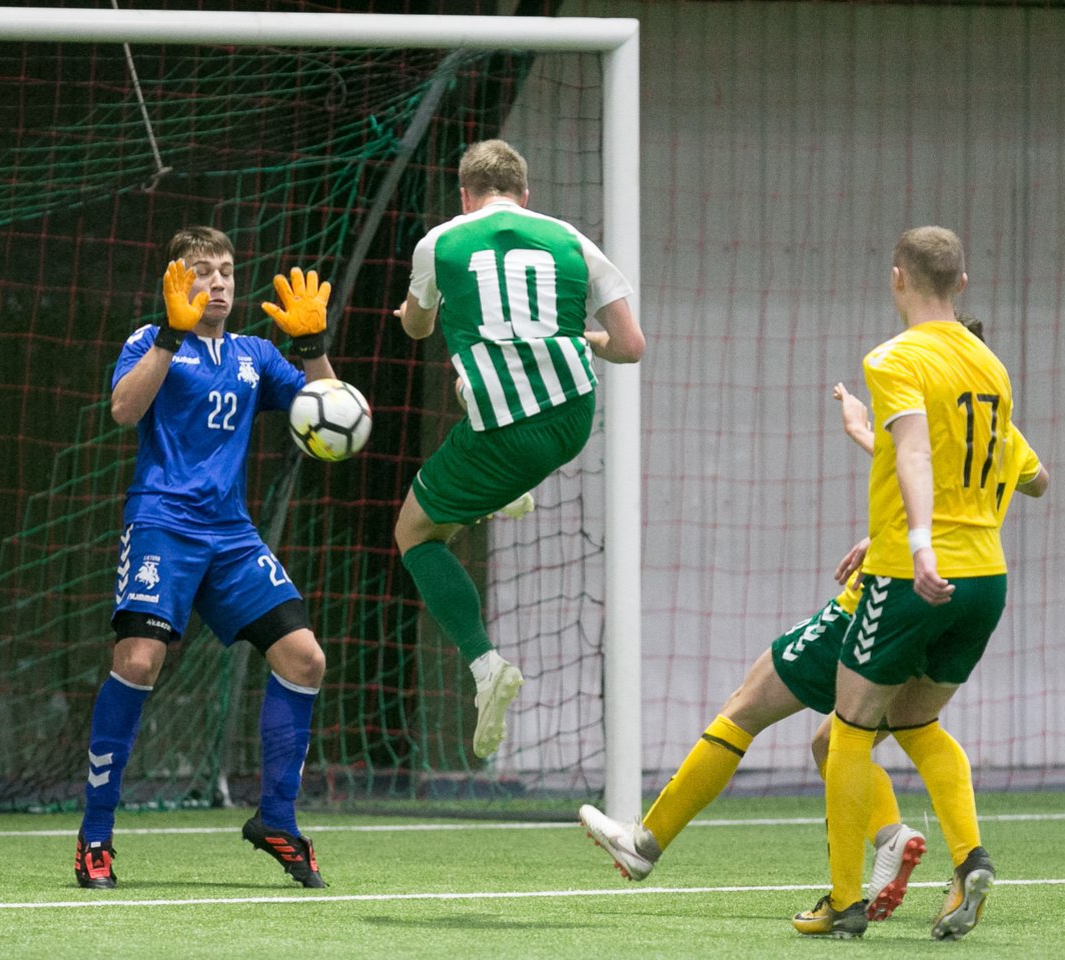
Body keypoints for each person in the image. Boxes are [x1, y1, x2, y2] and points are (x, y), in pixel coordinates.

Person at [580, 348, 1045, 926]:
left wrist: (870, 457)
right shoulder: (995, 425)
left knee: (751, 706)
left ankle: (649, 844)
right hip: (972, 587)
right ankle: (930, 848)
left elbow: (919, 462)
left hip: (890, 594)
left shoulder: (922, 397)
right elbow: (1031, 479)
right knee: (874, 732)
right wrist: (872, 451)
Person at [795, 226, 1048, 941]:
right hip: (986, 579)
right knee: (915, 722)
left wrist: (916, 541)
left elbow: (912, 449)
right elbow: (1033, 479)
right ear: (961, 283)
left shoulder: (894, 357)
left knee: (846, 733)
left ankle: (845, 902)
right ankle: (970, 859)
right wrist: (868, 439)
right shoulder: (991, 367)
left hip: (914, 576)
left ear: (897, 277)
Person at [76, 226, 337, 890]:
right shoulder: (149, 339)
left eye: (225, 270)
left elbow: (330, 417)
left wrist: (312, 348)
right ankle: (95, 836)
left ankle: (277, 819)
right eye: (202, 270)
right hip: (162, 525)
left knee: (305, 658)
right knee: (138, 661)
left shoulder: (254, 354)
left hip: (231, 535)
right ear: (176, 280)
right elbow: (123, 409)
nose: (218, 281)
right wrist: (170, 333)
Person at [393, 139, 644, 759]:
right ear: (525, 195)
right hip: (573, 416)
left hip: (505, 433)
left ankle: (486, 667)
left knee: (414, 535)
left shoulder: (440, 242)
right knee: (472, 383)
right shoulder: (572, 240)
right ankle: (503, 491)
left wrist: (411, 311)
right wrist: (584, 338)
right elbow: (630, 345)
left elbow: (418, 328)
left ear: (465, 195)